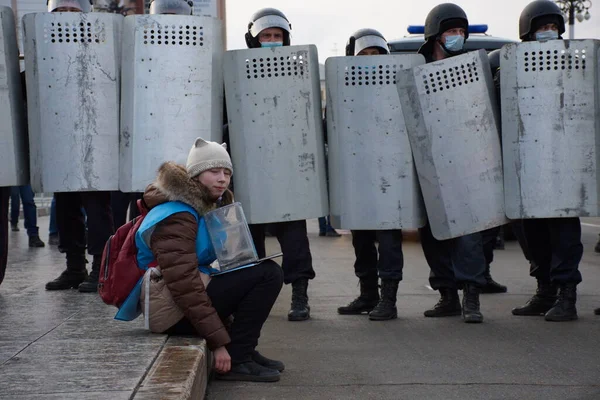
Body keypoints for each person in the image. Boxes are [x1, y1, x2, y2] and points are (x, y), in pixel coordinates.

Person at [122, 137, 283, 382]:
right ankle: (239, 358)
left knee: (261, 270)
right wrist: (217, 343)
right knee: (267, 275)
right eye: (214, 171)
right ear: (195, 176)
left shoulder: (199, 206)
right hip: (169, 313)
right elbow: (184, 286)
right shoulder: (177, 215)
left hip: (180, 302)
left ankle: (244, 350)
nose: (222, 179)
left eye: (227, 173)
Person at [241, 8, 316, 321]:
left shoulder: (299, 69)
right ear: (254, 40)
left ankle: (300, 294)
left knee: (294, 234)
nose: (271, 41)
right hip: (251, 165)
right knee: (251, 236)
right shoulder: (239, 69)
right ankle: (255, 294)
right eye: (265, 36)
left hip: (287, 167)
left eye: (277, 36)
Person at [510, 0, 583, 322]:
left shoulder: (575, 65)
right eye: (542, 28)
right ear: (528, 33)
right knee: (533, 233)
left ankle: (567, 296)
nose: (548, 33)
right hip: (529, 165)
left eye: (553, 27)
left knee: (564, 236)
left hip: (565, 165)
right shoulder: (514, 65)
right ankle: (545, 291)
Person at [416, 3, 487, 323]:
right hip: (429, 166)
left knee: (469, 234)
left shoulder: (472, 69)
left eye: (462, 32)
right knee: (432, 234)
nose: (458, 37)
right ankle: (446, 294)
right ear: (435, 36)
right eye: (451, 31)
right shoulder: (416, 70)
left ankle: (471, 295)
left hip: (467, 163)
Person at [43, 0, 115, 293]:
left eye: (74, 11)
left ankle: (101, 266)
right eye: (62, 11)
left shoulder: (100, 43)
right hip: (61, 140)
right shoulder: (47, 45)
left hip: (96, 140)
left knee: (97, 206)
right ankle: (74, 266)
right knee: (66, 205)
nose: (68, 17)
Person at [334, 29, 404, 321]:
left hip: (390, 176)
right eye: (365, 55)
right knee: (361, 238)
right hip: (358, 174)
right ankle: (368, 294)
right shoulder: (343, 86)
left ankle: (389, 299)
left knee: (388, 237)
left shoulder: (397, 84)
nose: (372, 61)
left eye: (377, 55)